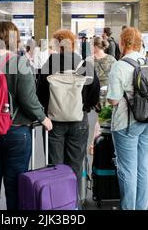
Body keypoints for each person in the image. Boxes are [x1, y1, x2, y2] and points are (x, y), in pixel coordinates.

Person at [0, 21, 52, 210]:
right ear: (15, 38)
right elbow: (28, 99)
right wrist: (43, 118)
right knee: (16, 184)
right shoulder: (20, 62)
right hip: (15, 130)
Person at [37, 29, 100, 186]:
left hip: (53, 122)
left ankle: (56, 202)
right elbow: (95, 92)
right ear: (73, 45)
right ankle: (74, 203)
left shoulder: (48, 65)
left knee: (55, 167)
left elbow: (39, 94)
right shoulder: (84, 64)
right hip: (79, 120)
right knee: (75, 166)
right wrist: (85, 106)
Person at [106, 27, 148, 210]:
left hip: (127, 123)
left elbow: (113, 100)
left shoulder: (119, 66)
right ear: (139, 44)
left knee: (128, 169)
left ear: (122, 43)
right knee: (143, 165)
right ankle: (141, 207)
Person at [89, 37, 117, 155]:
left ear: (95, 47)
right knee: (103, 119)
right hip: (110, 93)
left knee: (101, 118)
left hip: (96, 94)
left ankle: (94, 144)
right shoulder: (111, 59)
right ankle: (94, 144)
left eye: (91, 45)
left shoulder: (89, 60)